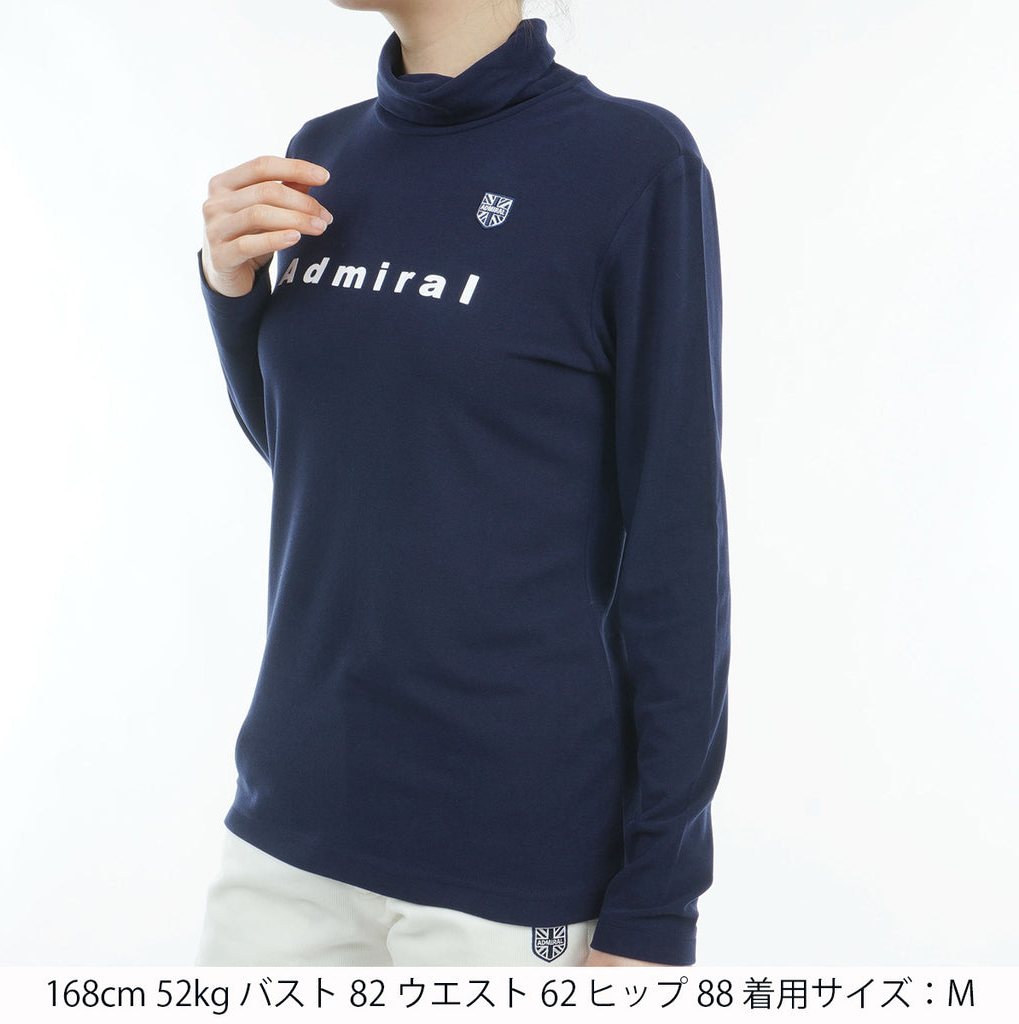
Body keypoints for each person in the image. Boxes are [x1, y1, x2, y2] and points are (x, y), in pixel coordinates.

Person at [195, 0, 730, 968]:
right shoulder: (322, 156)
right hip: (286, 831)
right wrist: (232, 295)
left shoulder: (632, 164)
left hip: (508, 862)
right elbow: (326, 462)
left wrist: (658, 899)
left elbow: (677, 541)